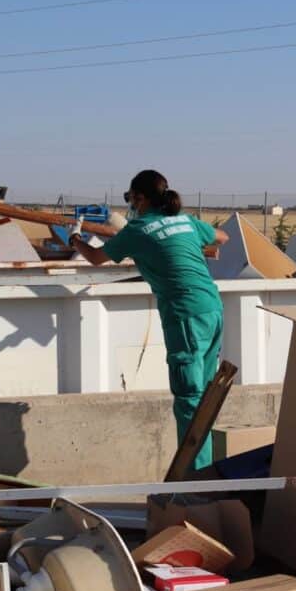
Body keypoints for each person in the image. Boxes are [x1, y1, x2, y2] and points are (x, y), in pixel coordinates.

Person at [71, 170, 228, 470]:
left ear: (140, 198)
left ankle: (195, 481)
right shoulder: (185, 221)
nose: (130, 205)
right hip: (212, 309)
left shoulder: (137, 230)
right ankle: (207, 472)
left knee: (189, 399)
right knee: (206, 398)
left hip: (185, 316)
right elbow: (222, 237)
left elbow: (95, 258)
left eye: (130, 198)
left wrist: (75, 238)